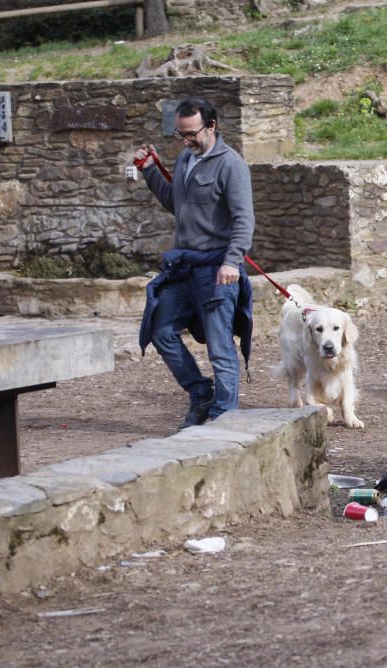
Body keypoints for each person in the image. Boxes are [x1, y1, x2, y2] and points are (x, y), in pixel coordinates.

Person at [134, 97, 254, 429]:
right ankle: (201, 393)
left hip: (218, 271)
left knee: (219, 348)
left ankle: (224, 417)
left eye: (191, 133)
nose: (185, 141)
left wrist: (232, 261)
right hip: (183, 268)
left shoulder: (232, 165)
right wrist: (149, 172)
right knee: (160, 331)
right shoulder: (187, 158)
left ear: (211, 126)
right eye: (180, 134)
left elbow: (244, 219)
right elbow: (177, 204)